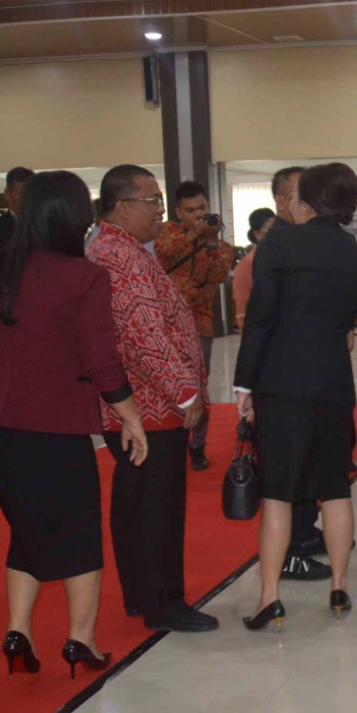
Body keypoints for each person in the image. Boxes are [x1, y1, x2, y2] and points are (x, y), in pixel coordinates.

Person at [0, 170, 148, 679]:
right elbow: (101, 359)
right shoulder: (85, 276)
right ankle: (80, 640)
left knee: (27, 526)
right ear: (75, 217)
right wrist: (131, 417)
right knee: (78, 531)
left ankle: (19, 629)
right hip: (54, 426)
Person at [235, 162, 357, 626]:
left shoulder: (280, 241)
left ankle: (269, 596)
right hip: (333, 382)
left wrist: (244, 382)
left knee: (278, 491)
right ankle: (338, 587)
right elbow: (348, 317)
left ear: (306, 201)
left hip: (281, 382)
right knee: (334, 489)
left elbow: (260, 317)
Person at [88, 164, 218, 634]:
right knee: (157, 508)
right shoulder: (117, 255)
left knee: (135, 503)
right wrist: (185, 394)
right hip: (149, 405)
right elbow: (142, 332)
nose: (160, 212)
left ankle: (142, 593)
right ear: (122, 206)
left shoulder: (120, 247)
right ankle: (164, 601)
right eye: (153, 202)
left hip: (141, 404)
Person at [266, 165, 331, 583]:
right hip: (282, 378)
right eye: (298, 195)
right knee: (288, 467)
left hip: (310, 375)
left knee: (312, 459)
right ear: (282, 201)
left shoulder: (306, 243)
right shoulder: (278, 246)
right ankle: (290, 550)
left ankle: (306, 534)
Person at [154, 181, 235, 472]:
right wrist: (194, 234)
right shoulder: (166, 232)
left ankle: (197, 445)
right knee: (170, 384)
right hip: (166, 322)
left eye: (202, 208)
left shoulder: (217, 241)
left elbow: (217, 276)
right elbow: (166, 251)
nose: (198, 215)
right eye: (190, 211)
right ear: (178, 211)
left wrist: (211, 241)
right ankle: (170, 440)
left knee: (198, 385)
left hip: (200, 323)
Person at [232, 207, 276, 330]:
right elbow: (242, 312)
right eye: (270, 230)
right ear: (257, 234)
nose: (276, 234)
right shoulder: (246, 265)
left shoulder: (280, 258)